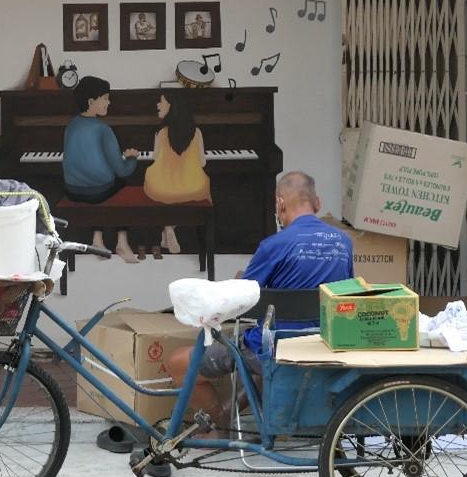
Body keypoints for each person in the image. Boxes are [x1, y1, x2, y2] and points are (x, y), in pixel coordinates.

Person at [167, 171, 352, 426]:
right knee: (254, 355)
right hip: (323, 344)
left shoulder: (273, 245)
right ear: (317, 203)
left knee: (179, 362)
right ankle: (232, 413)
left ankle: (219, 425)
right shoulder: (344, 242)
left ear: (280, 203)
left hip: (276, 347)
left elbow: (240, 301)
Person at [61, 75, 141, 262]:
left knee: (102, 186)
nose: (109, 102)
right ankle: (122, 242)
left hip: (72, 190)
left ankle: (97, 238)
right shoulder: (103, 129)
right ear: (91, 102)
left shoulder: (71, 125)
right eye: (105, 98)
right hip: (97, 192)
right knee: (123, 184)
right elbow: (122, 170)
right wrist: (131, 159)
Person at [143, 92, 210, 255]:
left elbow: (155, 159)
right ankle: (170, 229)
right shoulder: (197, 132)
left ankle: (168, 227)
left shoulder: (160, 133)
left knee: (162, 186)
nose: (158, 105)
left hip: (162, 188)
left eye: (161, 102)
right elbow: (202, 162)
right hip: (194, 187)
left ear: (172, 107)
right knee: (182, 190)